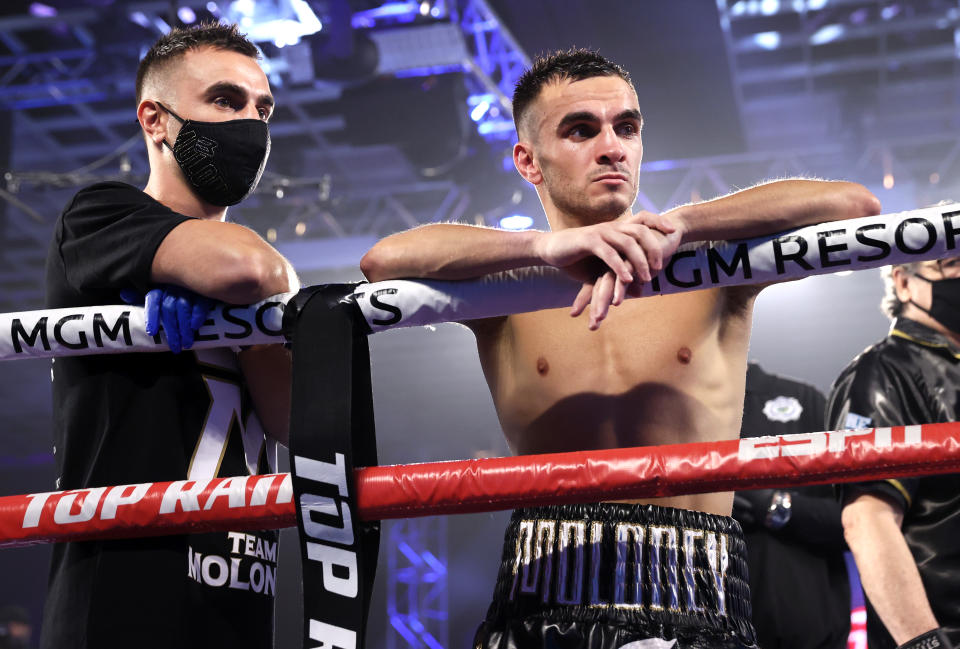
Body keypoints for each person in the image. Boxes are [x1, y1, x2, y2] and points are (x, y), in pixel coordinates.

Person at [361, 49, 881, 649]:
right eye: (581, 130)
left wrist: (683, 221)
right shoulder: (509, 287)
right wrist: (539, 248)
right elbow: (384, 261)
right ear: (528, 161)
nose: (612, 146)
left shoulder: (707, 266)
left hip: (694, 578)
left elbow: (854, 205)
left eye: (626, 127)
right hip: (545, 573)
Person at [42, 23, 298, 649]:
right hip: (122, 592)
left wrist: (242, 313)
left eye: (261, 108)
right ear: (155, 120)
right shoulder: (99, 215)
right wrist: (236, 284)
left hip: (240, 592)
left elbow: (296, 419)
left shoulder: (259, 269)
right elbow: (250, 269)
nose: (250, 124)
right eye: (224, 101)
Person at [827, 255, 960, 649]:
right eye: (952, 263)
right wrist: (925, 644)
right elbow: (867, 519)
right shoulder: (882, 371)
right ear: (903, 282)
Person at [734, 363, 849, 649]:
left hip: (806, 632)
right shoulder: (669, 409)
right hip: (704, 630)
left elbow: (856, 518)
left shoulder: (801, 400)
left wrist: (774, 506)